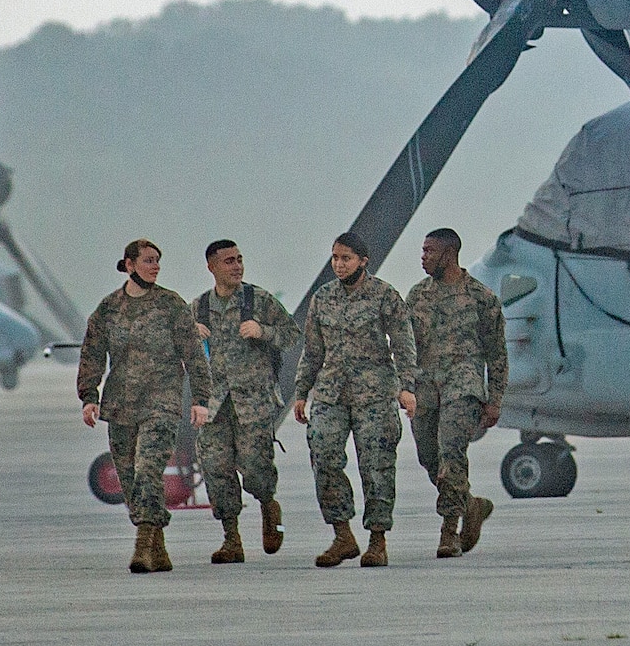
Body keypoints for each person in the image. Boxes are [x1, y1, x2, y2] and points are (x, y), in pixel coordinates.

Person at [78, 238, 211, 574]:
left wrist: (199, 400)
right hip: (121, 405)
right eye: (149, 261)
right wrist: (88, 397)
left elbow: (194, 355)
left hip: (162, 403)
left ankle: (142, 543)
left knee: (147, 470)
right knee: (129, 478)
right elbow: (92, 354)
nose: (155, 267)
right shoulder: (108, 309)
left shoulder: (170, 305)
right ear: (130, 264)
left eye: (158, 261)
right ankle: (158, 545)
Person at [292, 232, 416, 568]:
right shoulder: (323, 298)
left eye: (346, 258)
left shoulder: (384, 295)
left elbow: (403, 343)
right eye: (334, 258)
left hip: (374, 394)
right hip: (331, 393)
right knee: (324, 456)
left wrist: (407, 387)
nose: (339, 264)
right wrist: (301, 393)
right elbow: (313, 350)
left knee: (376, 466)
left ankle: (377, 539)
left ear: (363, 260)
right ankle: (342, 535)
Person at [192, 240, 301, 563]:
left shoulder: (258, 300)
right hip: (214, 405)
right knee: (216, 469)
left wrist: (263, 331)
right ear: (212, 267)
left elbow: (292, 334)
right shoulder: (198, 308)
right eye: (228, 261)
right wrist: (190, 335)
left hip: (253, 402)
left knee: (255, 469)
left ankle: (268, 504)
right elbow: (179, 352)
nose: (237, 266)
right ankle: (231, 539)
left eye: (239, 260)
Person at [405, 228, 508, 557]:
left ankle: (449, 532)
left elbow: (497, 354)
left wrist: (494, 400)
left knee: (451, 454)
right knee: (428, 457)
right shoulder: (417, 295)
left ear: (449, 254)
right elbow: (405, 346)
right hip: (425, 386)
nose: (423, 257)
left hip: (463, 386)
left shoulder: (481, 297)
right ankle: (472, 505)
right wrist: (403, 387)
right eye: (422, 251)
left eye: (429, 251)